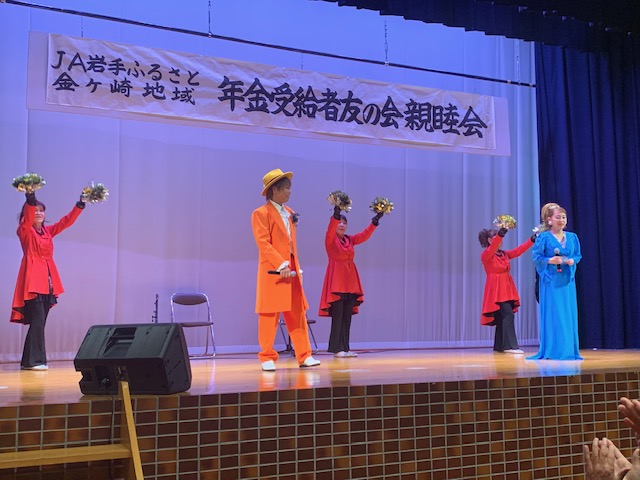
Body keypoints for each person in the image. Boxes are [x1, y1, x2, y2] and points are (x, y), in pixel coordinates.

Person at [251, 168, 320, 372]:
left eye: (290, 188)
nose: (290, 192)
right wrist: (280, 263)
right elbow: (263, 243)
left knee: (297, 313)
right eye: (286, 188)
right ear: (275, 190)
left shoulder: (289, 212)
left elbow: (291, 244)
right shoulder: (260, 213)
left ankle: (304, 354)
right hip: (273, 271)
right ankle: (267, 356)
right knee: (269, 314)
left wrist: (296, 266)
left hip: (291, 269)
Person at [11, 190, 86, 371]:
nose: (39, 213)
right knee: (38, 321)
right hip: (32, 281)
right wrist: (30, 198)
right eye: (35, 210)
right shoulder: (25, 230)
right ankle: (35, 361)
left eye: (42, 210)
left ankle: (29, 361)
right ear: (28, 213)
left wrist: (80, 205)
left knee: (40, 322)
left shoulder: (47, 232)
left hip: (47, 282)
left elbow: (66, 222)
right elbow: (28, 215)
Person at [318, 205, 382, 357]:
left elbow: (363, 236)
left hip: (350, 282)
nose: (341, 224)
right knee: (338, 317)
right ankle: (336, 348)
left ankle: (345, 348)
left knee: (347, 317)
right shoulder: (330, 240)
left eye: (344, 223)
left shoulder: (349, 240)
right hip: (336, 281)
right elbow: (330, 229)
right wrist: (336, 214)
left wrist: (374, 222)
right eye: (339, 222)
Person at [527, 203, 583, 360]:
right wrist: (550, 260)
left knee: (567, 313)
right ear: (549, 220)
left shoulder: (572, 237)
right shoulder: (543, 237)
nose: (562, 220)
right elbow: (536, 257)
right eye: (558, 217)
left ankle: (568, 350)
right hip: (551, 280)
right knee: (554, 314)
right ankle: (553, 349)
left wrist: (572, 260)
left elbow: (577, 255)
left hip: (567, 281)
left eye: (564, 217)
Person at [479, 226, 535, 354]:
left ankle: (499, 346)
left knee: (501, 317)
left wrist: (531, 240)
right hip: (496, 288)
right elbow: (493, 247)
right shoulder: (486, 254)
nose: (500, 240)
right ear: (489, 240)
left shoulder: (504, 254)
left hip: (506, 287)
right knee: (508, 315)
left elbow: (518, 251)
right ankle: (510, 346)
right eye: (495, 237)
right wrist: (500, 234)